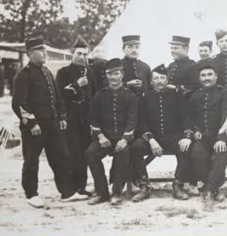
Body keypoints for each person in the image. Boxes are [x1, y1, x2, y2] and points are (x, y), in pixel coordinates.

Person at [11, 34, 87, 208]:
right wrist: (32, 123)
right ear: (30, 54)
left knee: (61, 157)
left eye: (45, 49)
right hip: (35, 128)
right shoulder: (23, 75)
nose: (45, 53)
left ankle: (67, 192)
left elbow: (58, 98)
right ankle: (31, 195)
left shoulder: (47, 72)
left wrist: (62, 117)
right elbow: (18, 103)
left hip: (53, 126)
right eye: (41, 50)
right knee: (31, 161)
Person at [129, 64, 193, 202]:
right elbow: (142, 122)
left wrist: (186, 137)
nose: (159, 81)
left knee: (186, 148)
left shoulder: (177, 95)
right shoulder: (145, 96)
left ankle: (178, 185)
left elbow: (186, 117)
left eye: (162, 78)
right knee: (136, 148)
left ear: (167, 80)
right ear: (151, 81)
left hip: (173, 136)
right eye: (156, 78)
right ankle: (144, 185)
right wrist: (151, 140)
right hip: (152, 137)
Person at [85, 58, 138, 206]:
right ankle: (101, 192)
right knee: (91, 153)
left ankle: (116, 192)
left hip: (122, 138)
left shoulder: (130, 95)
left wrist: (125, 139)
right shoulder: (99, 95)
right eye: (110, 74)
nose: (113, 77)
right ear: (106, 75)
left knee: (123, 152)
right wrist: (100, 136)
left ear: (122, 74)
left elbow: (132, 120)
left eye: (116, 74)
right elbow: (93, 119)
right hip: (105, 138)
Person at [184, 61, 227, 211]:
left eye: (210, 75)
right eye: (203, 75)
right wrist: (195, 130)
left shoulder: (224, 93)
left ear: (216, 76)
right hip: (202, 137)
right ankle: (207, 187)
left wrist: (222, 138)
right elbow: (190, 117)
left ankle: (209, 190)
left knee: (220, 153)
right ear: (199, 78)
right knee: (197, 153)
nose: (206, 78)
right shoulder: (195, 95)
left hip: (219, 135)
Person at [56, 36, 97, 196]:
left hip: (86, 121)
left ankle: (81, 187)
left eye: (85, 54)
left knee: (85, 154)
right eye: (79, 53)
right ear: (71, 53)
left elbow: (95, 96)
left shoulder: (91, 72)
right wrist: (76, 85)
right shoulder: (63, 72)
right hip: (70, 120)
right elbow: (58, 96)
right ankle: (70, 189)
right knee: (72, 154)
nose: (82, 57)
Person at [167, 35, 200, 195]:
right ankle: (183, 181)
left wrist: (177, 88)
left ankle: (191, 182)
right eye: (172, 48)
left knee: (189, 145)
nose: (173, 50)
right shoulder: (171, 66)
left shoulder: (192, 66)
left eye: (176, 48)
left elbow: (195, 86)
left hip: (189, 111)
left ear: (185, 49)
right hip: (173, 113)